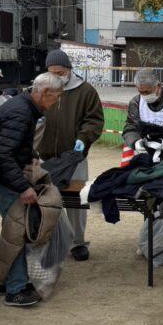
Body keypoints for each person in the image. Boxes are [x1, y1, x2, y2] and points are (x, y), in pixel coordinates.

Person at [0, 72, 63, 307]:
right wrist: (23, 187)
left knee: (13, 230)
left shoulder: (23, 107)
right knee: (18, 231)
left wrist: (31, 155)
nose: (57, 101)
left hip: (3, 175)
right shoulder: (21, 113)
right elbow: (3, 154)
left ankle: (5, 282)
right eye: (56, 96)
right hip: (4, 179)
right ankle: (15, 289)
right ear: (44, 93)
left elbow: (13, 145)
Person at [37, 49, 105, 262]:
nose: (56, 76)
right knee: (46, 200)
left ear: (69, 70)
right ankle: (50, 240)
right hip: (44, 155)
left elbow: (94, 120)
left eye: (60, 72)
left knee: (76, 200)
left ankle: (78, 241)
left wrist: (83, 138)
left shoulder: (85, 91)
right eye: (52, 72)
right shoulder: (40, 89)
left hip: (74, 157)